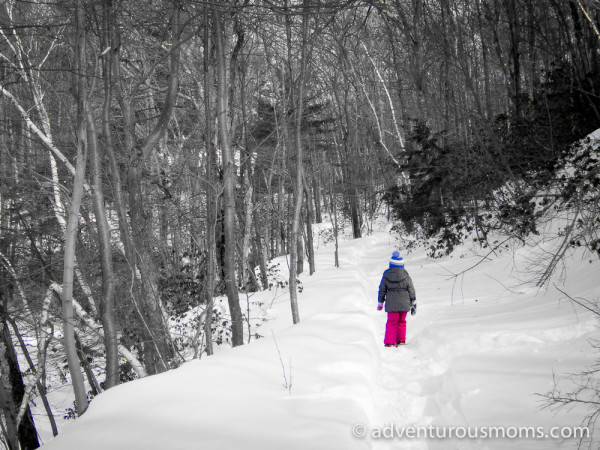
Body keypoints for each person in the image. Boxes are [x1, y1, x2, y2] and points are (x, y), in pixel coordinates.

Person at [377, 251, 416, 347]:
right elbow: (411, 289)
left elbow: (382, 290)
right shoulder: (406, 276)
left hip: (392, 303)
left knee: (391, 322)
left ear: (390, 265)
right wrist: (413, 301)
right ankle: (401, 340)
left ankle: (390, 342)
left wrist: (380, 302)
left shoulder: (386, 276)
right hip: (404, 302)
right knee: (402, 322)